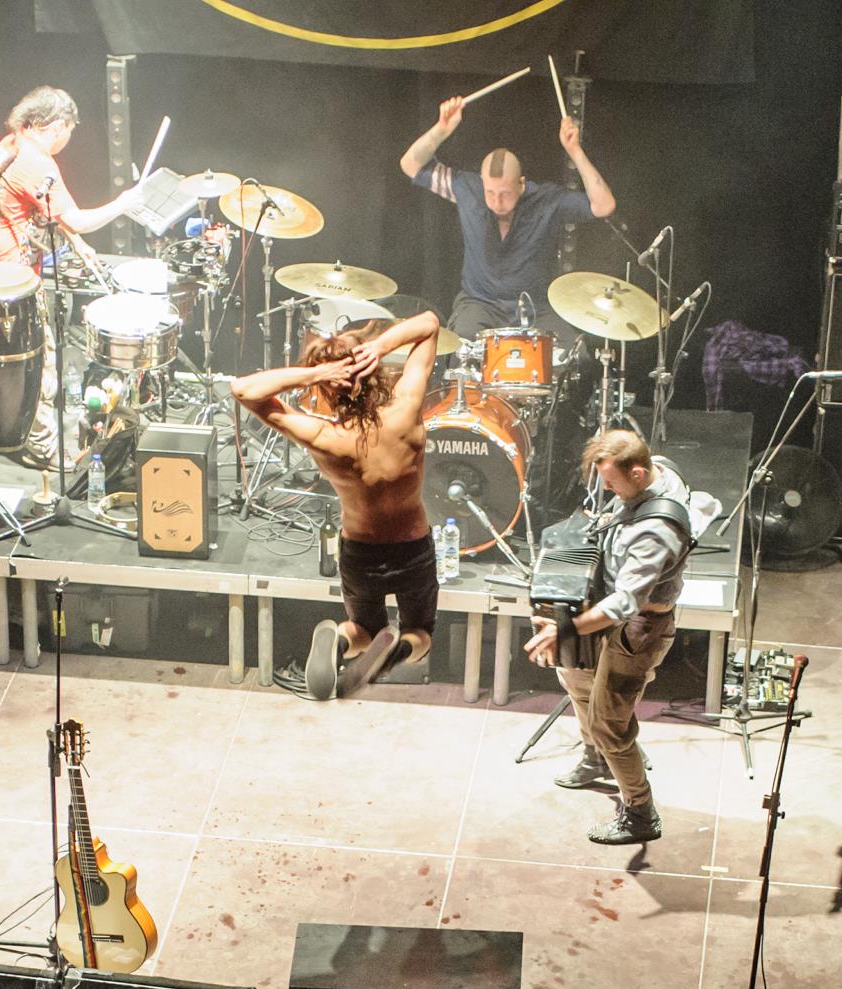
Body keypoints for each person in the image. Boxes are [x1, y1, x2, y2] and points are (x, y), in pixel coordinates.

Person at [231, 311, 441, 700]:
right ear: (373, 374)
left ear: (329, 391)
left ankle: (340, 643)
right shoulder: (406, 408)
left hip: (361, 553)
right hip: (412, 549)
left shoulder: (323, 436)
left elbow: (243, 389)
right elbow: (429, 323)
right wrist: (378, 347)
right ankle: (396, 651)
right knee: (420, 633)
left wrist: (315, 374)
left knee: (362, 630)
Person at [525, 429, 693, 845]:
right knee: (575, 676)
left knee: (610, 723)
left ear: (637, 473)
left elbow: (626, 602)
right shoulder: (659, 470)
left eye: (613, 483)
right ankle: (596, 758)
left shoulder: (657, 531)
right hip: (610, 613)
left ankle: (640, 813)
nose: (609, 491)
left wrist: (564, 629)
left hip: (638, 629)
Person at [0, 86, 144, 469]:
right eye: (69, 131)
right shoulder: (38, 162)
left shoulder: (12, 143)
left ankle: (4, 426)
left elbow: (38, 209)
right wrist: (122, 204)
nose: (68, 139)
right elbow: (75, 217)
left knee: (4, 356)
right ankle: (41, 448)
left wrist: (76, 243)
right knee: (38, 358)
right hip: (10, 276)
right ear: (58, 125)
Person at [400, 99, 615, 338]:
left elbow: (604, 206)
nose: (496, 201)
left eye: (505, 193)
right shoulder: (467, 189)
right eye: (490, 192)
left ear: (521, 183)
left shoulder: (546, 200)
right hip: (479, 302)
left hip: (536, 306)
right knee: (462, 346)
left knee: (573, 354)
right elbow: (410, 165)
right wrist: (441, 129)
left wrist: (575, 151)